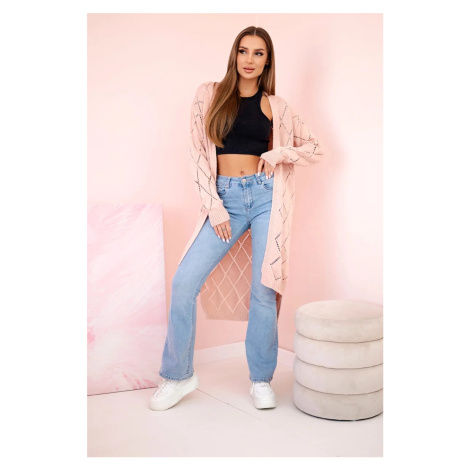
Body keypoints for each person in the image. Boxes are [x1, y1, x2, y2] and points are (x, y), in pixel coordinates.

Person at [150, 26, 323, 411]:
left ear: (267, 61)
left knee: (263, 290)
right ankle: (178, 376)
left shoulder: (277, 106)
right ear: (234, 54)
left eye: (258, 53)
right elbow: (197, 150)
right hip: (224, 197)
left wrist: (278, 154)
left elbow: (315, 147)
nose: (249, 59)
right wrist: (213, 205)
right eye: (244, 51)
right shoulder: (209, 94)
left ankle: (261, 379)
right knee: (184, 282)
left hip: (266, 197)